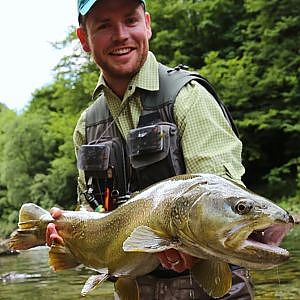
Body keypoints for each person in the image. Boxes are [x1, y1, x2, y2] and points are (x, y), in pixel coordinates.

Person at [46, 0, 253, 299]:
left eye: (130, 20)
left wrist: (189, 249)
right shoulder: (86, 125)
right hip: (134, 286)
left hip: (211, 283)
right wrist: (69, 238)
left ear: (147, 24)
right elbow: (90, 210)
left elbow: (222, 203)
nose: (121, 35)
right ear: (84, 40)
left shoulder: (188, 97)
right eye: (104, 25)